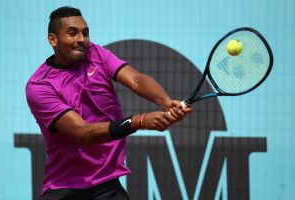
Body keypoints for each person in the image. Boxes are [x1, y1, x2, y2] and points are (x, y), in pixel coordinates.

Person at [26, 6, 191, 200]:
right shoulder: (40, 86)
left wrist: (165, 102)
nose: (81, 39)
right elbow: (83, 133)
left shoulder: (95, 54)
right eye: (72, 33)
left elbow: (136, 80)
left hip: (108, 185)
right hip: (65, 188)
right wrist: (139, 121)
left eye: (85, 33)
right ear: (53, 39)